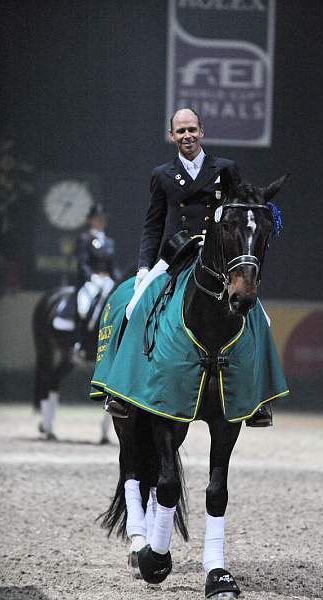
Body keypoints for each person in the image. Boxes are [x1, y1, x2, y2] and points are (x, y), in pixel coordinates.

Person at [120, 107, 270, 427]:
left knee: (261, 319)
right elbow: (153, 224)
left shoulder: (226, 169)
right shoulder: (162, 174)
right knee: (134, 309)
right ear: (171, 135)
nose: (186, 135)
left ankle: (258, 399)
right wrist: (144, 268)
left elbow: (240, 209)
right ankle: (122, 391)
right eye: (180, 131)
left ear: (201, 131)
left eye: (192, 129)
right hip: (176, 254)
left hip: (218, 255)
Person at [72, 203, 121, 362]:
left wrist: (119, 281)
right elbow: (82, 262)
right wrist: (91, 277)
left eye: (102, 219)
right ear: (90, 220)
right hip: (91, 280)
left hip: (107, 280)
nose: (100, 222)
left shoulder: (109, 241)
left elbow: (113, 266)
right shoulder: (84, 238)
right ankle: (79, 342)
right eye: (96, 219)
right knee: (84, 307)